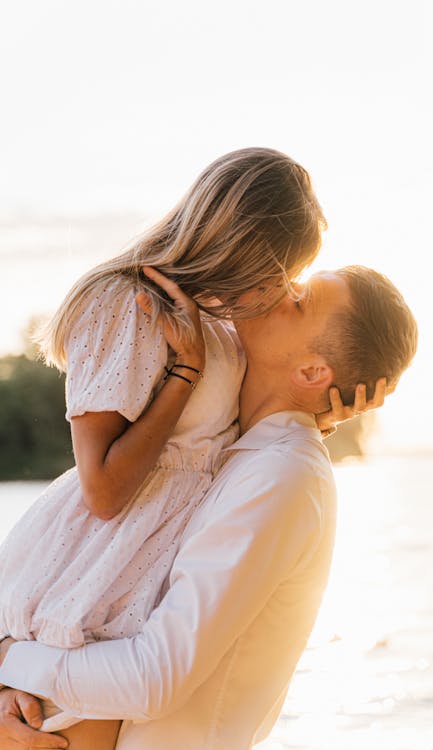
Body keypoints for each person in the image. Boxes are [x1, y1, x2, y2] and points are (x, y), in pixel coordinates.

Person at [0, 147, 380, 742]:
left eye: (291, 285)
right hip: (94, 567)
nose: (278, 293)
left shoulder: (220, 319)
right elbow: (103, 489)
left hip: (141, 571)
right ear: (239, 244)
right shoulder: (128, 305)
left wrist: (317, 416)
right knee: (40, 721)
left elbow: (226, 433)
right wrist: (184, 376)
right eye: (279, 275)